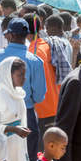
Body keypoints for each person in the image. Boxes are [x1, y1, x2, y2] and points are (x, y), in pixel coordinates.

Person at [0, 18, 46, 161]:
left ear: (11, 35)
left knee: (0, 160)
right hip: (26, 114)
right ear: (26, 36)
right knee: (28, 159)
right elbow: (40, 96)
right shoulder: (35, 60)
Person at [23, 14, 59, 152]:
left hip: (43, 108)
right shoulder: (46, 45)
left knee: (43, 155)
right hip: (54, 104)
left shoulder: (33, 51)